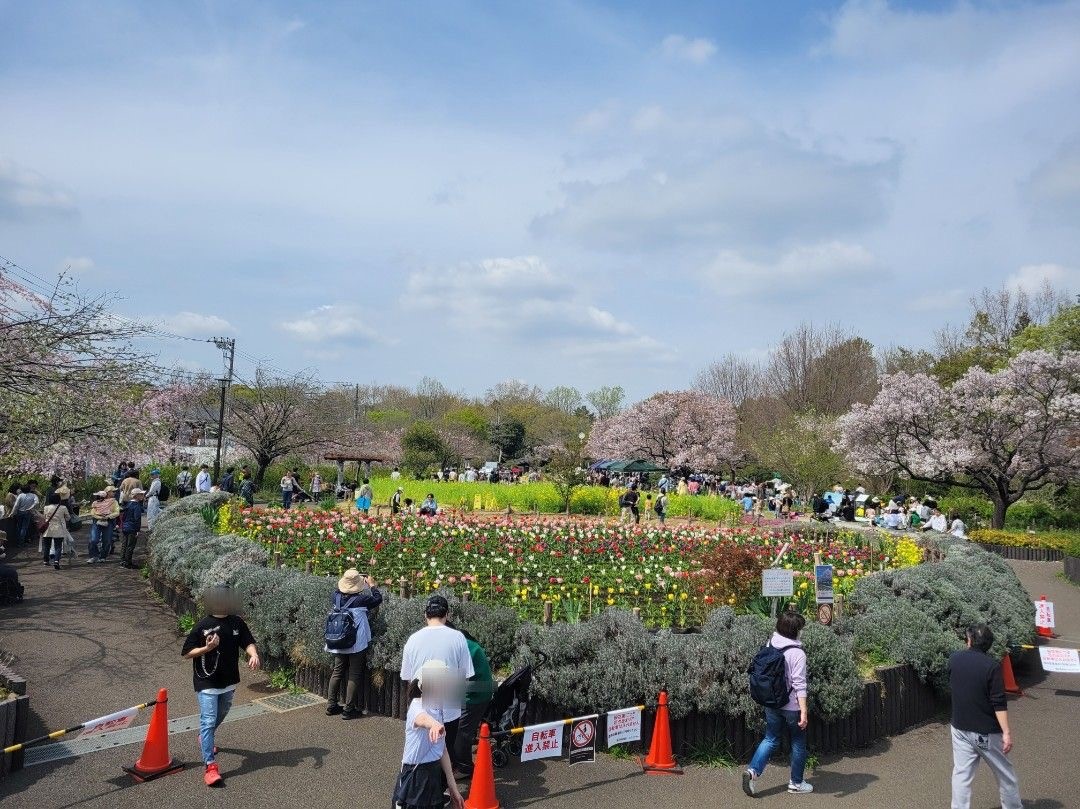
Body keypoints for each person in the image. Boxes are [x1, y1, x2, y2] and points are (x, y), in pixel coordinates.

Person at [181, 587, 260, 788]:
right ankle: (210, 766)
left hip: (229, 680)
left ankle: (204, 736)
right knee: (208, 720)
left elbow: (248, 641)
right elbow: (187, 652)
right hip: (206, 681)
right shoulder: (203, 625)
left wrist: (253, 654)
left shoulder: (236, 622)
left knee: (222, 712)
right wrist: (207, 648)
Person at [948, 624, 1022, 809]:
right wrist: (1006, 732)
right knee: (1005, 775)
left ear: (970, 640)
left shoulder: (954, 659)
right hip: (986, 732)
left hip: (959, 726)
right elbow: (999, 703)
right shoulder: (992, 667)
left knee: (961, 775)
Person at [400, 595, 474, 776]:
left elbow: (408, 677)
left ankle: (421, 790)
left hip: (421, 706)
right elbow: (466, 675)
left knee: (421, 752)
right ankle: (444, 790)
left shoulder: (413, 639)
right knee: (444, 750)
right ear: (447, 614)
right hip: (449, 706)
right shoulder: (458, 637)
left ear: (425, 614)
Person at [743, 611, 813, 796]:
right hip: (791, 706)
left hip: (772, 703)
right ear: (795, 631)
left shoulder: (771, 644)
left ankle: (752, 772)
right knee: (798, 742)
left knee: (770, 738)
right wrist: (804, 711)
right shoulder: (798, 653)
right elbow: (799, 685)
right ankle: (796, 783)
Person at [394, 659, 466, 809]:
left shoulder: (438, 709)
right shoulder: (416, 706)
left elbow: (442, 750)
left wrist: (453, 787)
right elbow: (422, 719)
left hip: (433, 779)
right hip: (415, 779)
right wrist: (434, 724)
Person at [325, 569, 383, 720]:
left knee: (337, 671)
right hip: (356, 642)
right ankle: (348, 709)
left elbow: (341, 590)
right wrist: (371, 585)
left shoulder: (335, 596)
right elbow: (378, 599)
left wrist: (351, 582)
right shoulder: (361, 600)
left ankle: (331, 705)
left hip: (338, 639)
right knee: (354, 673)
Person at [446, 624, 493, 776]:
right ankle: (455, 761)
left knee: (460, 730)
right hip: (477, 687)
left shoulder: (461, 647)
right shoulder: (464, 642)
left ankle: (464, 767)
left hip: (477, 691)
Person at [87, 490, 120, 563]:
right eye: (112, 491)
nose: (114, 493)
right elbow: (93, 512)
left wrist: (108, 517)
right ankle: (94, 555)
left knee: (107, 540)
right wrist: (99, 517)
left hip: (108, 521)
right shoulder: (95, 503)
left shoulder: (114, 502)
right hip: (97, 521)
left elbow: (117, 512)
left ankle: (103, 556)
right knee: (93, 539)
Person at [40, 493, 71, 570]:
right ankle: (56, 561)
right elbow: (68, 518)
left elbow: (44, 517)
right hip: (58, 528)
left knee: (47, 546)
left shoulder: (46, 507)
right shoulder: (63, 507)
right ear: (59, 499)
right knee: (58, 546)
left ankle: (46, 561)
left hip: (48, 528)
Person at [120, 490, 145, 568]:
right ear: (137, 496)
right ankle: (128, 562)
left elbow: (123, 516)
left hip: (125, 526)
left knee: (124, 544)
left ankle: (122, 560)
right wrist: (137, 530)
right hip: (132, 527)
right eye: (141, 494)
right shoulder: (136, 505)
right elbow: (137, 518)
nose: (142, 496)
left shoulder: (127, 504)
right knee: (130, 545)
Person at [12, 481, 40, 546]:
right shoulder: (33, 495)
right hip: (27, 512)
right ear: (29, 489)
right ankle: (21, 542)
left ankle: (18, 542)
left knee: (18, 527)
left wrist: (12, 513)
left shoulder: (20, 495)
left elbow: (16, 505)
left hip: (19, 512)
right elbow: (37, 502)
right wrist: (31, 507)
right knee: (24, 527)